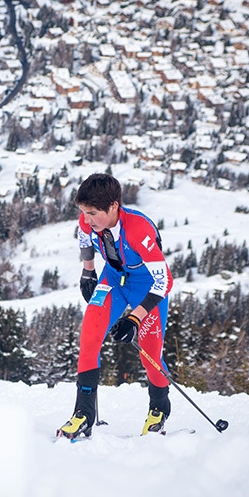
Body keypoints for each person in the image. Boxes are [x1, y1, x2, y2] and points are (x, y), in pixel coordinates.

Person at [58, 173, 173, 438]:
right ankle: (84, 414)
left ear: (113, 207)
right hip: (113, 281)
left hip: (147, 287)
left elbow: (164, 281)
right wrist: (88, 272)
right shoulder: (88, 222)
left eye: (93, 213)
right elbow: (85, 240)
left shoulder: (138, 230)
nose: (86, 219)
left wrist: (134, 318)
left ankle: (159, 408)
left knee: (149, 355)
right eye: (83, 212)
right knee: (89, 338)